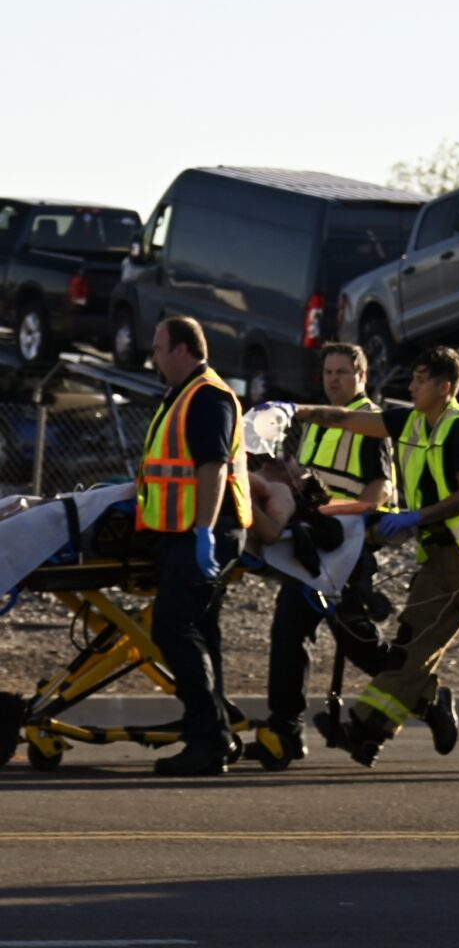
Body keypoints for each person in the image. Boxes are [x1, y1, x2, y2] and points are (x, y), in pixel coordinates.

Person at [271, 346, 459, 771]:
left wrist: (415, 517)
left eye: (420, 380)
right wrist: (294, 411)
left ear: (444, 388)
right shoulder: (411, 421)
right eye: (412, 378)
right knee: (410, 651)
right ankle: (368, 730)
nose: (411, 387)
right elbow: (346, 419)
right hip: (439, 561)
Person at [247, 342, 458, 765]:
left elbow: (380, 489)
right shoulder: (318, 425)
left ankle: (428, 697)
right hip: (313, 549)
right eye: (328, 372)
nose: (333, 379)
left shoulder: (368, 423)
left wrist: (342, 516)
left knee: (359, 643)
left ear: (362, 377)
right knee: (288, 634)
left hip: (345, 552)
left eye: (342, 372)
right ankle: (285, 733)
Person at [137, 316, 252, 777]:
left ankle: (208, 736)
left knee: (172, 625)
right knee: (200, 631)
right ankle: (213, 731)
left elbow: (213, 467)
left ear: (182, 350)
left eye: (158, 348)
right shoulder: (182, 395)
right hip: (184, 532)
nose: (154, 357)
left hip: (205, 532)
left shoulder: (207, 396)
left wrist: (204, 532)